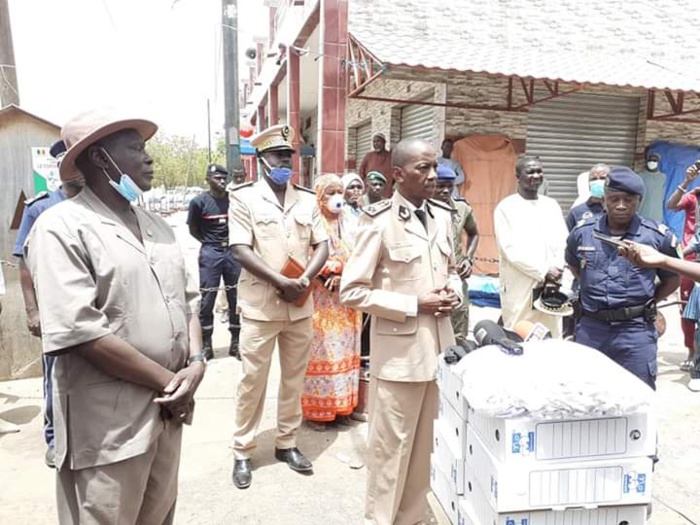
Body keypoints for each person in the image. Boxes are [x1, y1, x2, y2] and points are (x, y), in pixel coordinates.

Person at [24, 108, 203, 524]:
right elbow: (81, 333)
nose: (149, 158)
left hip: (167, 411)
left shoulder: (158, 225)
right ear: (99, 158)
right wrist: (172, 383)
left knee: (158, 515)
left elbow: (187, 301)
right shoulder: (61, 228)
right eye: (136, 148)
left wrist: (195, 363)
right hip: (110, 426)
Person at [340, 138, 462, 525]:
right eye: (422, 169)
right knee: (390, 448)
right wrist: (413, 305)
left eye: (435, 167)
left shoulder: (442, 215)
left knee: (425, 446)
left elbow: (453, 271)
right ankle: (380, 518)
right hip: (399, 357)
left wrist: (453, 294)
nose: (433, 175)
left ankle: (411, 517)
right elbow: (352, 291)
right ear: (397, 175)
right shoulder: (378, 222)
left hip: (439, 349)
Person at [228, 124, 329, 490]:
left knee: (293, 379)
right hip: (261, 306)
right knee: (252, 381)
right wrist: (281, 281)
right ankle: (243, 449)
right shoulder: (243, 198)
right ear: (262, 161)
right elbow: (239, 249)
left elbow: (322, 245)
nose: (286, 162)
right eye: (278, 156)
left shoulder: (305, 199)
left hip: (299, 306)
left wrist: (304, 280)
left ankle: (287, 442)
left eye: (289, 156)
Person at [566, 167, 680, 389]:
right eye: (614, 199)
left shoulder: (657, 236)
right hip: (591, 328)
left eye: (628, 200)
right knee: (586, 395)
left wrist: (648, 303)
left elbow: (671, 279)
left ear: (639, 200)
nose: (620, 205)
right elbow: (574, 265)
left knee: (638, 395)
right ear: (604, 199)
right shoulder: (582, 232)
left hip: (635, 331)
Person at [12, 140, 83, 468]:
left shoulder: (95, 204)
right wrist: (32, 309)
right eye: (68, 164)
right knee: (55, 374)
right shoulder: (40, 207)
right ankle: (55, 438)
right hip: (54, 309)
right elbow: (24, 262)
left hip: (88, 307)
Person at [301, 174, 362, 431]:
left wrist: (344, 273)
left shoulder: (353, 222)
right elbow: (303, 257)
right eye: (330, 192)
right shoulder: (309, 224)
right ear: (319, 196)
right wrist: (329, 270)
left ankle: (342, 408)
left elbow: (363, 256)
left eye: (340, 191)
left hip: (347, 302)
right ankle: (318, 412)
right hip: (320, 301)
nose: (337, 197)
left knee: (346, 353)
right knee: (322, 353)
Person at [494, 155, 568, 337]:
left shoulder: (551, 205)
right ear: (517, 176)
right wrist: (543, 271)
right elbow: (510, 250)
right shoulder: (506, 208)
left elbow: (562, 241)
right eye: (530, 172)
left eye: (539, 171)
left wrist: (556, 271)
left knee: (551, 335)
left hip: (552, 283)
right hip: (521, 283)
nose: (536, 176)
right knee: (520, 333)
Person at [187, 163, 242, 361]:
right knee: (208, 298)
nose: (221, 181)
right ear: (208, 179)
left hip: (232, 252)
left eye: (223, 178)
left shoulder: (233, 201)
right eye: (217, 178)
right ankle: (207, 345)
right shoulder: (198, 202)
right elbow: (193, 229)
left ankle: (236, 343)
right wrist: (209, 244)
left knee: (235, 297)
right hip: (211, 251)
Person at [433, 163, 479, 346]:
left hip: (457, 276)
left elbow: (474, 233)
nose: (445, 191)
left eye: (449, 187)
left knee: (459, 325)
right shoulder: (422, 210)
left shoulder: (461, 209)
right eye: (440, 185)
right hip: (433, 275)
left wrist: (469, 258)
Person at [666, 161, 700, 370]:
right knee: (687, 307)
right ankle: (691, 350)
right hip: (689, 260)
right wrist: (686, 181)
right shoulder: (694, 196)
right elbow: (670, 205)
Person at [566, 163, 609, 231]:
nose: (598, 181)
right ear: (589, 184)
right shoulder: (576, 212)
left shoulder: (617, 210)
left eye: (603, 178)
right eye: (594, 179)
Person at [638, 153, 667, 223]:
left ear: (658, 163)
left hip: (656, 216)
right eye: (650, 160)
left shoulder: (663, 178)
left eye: (654, 161)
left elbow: (662, 196)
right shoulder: (640, 176)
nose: (652, 162)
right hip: (642, 214)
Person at [341, 172, 364, 247]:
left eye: (359, 187)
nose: (356, 190)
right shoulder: (340, 211)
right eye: (351, 187)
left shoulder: (365, 211)